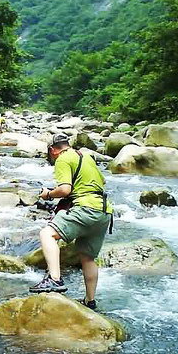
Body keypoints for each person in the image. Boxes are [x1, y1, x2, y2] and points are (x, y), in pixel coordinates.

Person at [29, 133, 113, 311]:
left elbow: (65, 189)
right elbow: (101, 181)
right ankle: (90, 301)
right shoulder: (86, 156)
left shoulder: (63, 158)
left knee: (47, 234)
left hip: (84, 208)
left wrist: (48, 194)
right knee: (87, 258)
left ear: (53, 150)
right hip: (104, 211)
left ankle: (54, 279)